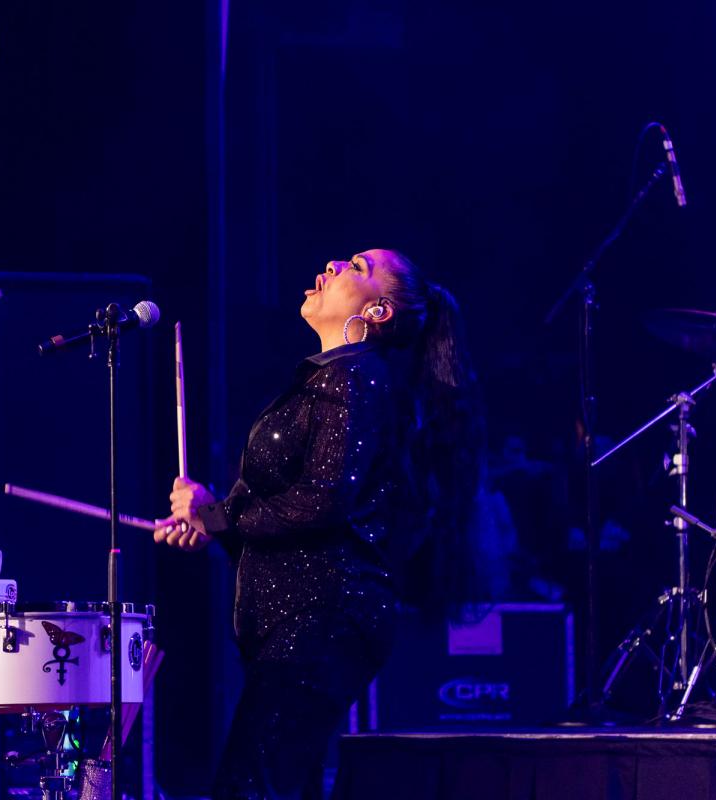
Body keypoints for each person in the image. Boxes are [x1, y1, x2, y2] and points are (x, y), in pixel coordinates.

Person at [155, 248, 483, 799]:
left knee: (250, 786)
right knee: (283, 786)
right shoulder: (331, 380)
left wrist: (216, 515)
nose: (333, 266)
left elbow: (323, 503)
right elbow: (293, 526)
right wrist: (213, 523)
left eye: (357, 267)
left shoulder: (356, 378)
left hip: (324, 617)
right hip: (297, 619)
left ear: (378, 312)